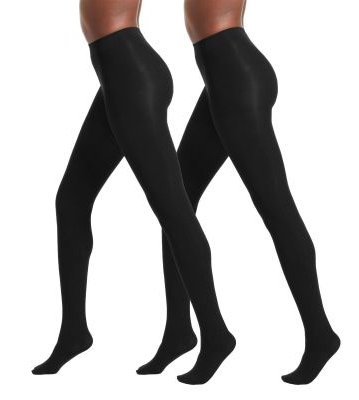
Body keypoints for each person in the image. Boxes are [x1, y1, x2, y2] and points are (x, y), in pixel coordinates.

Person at [32, 0, 236, 385]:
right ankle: (78, 332)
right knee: (71, 199)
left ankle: (216, 334)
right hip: (117, 76)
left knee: (173, 209)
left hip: (130, 76)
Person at [137, 0, 340, 385]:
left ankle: (320, 335)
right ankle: (179, 331)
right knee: (178, 201)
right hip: (222, 77)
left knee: (276, 208)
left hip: (235, 75)